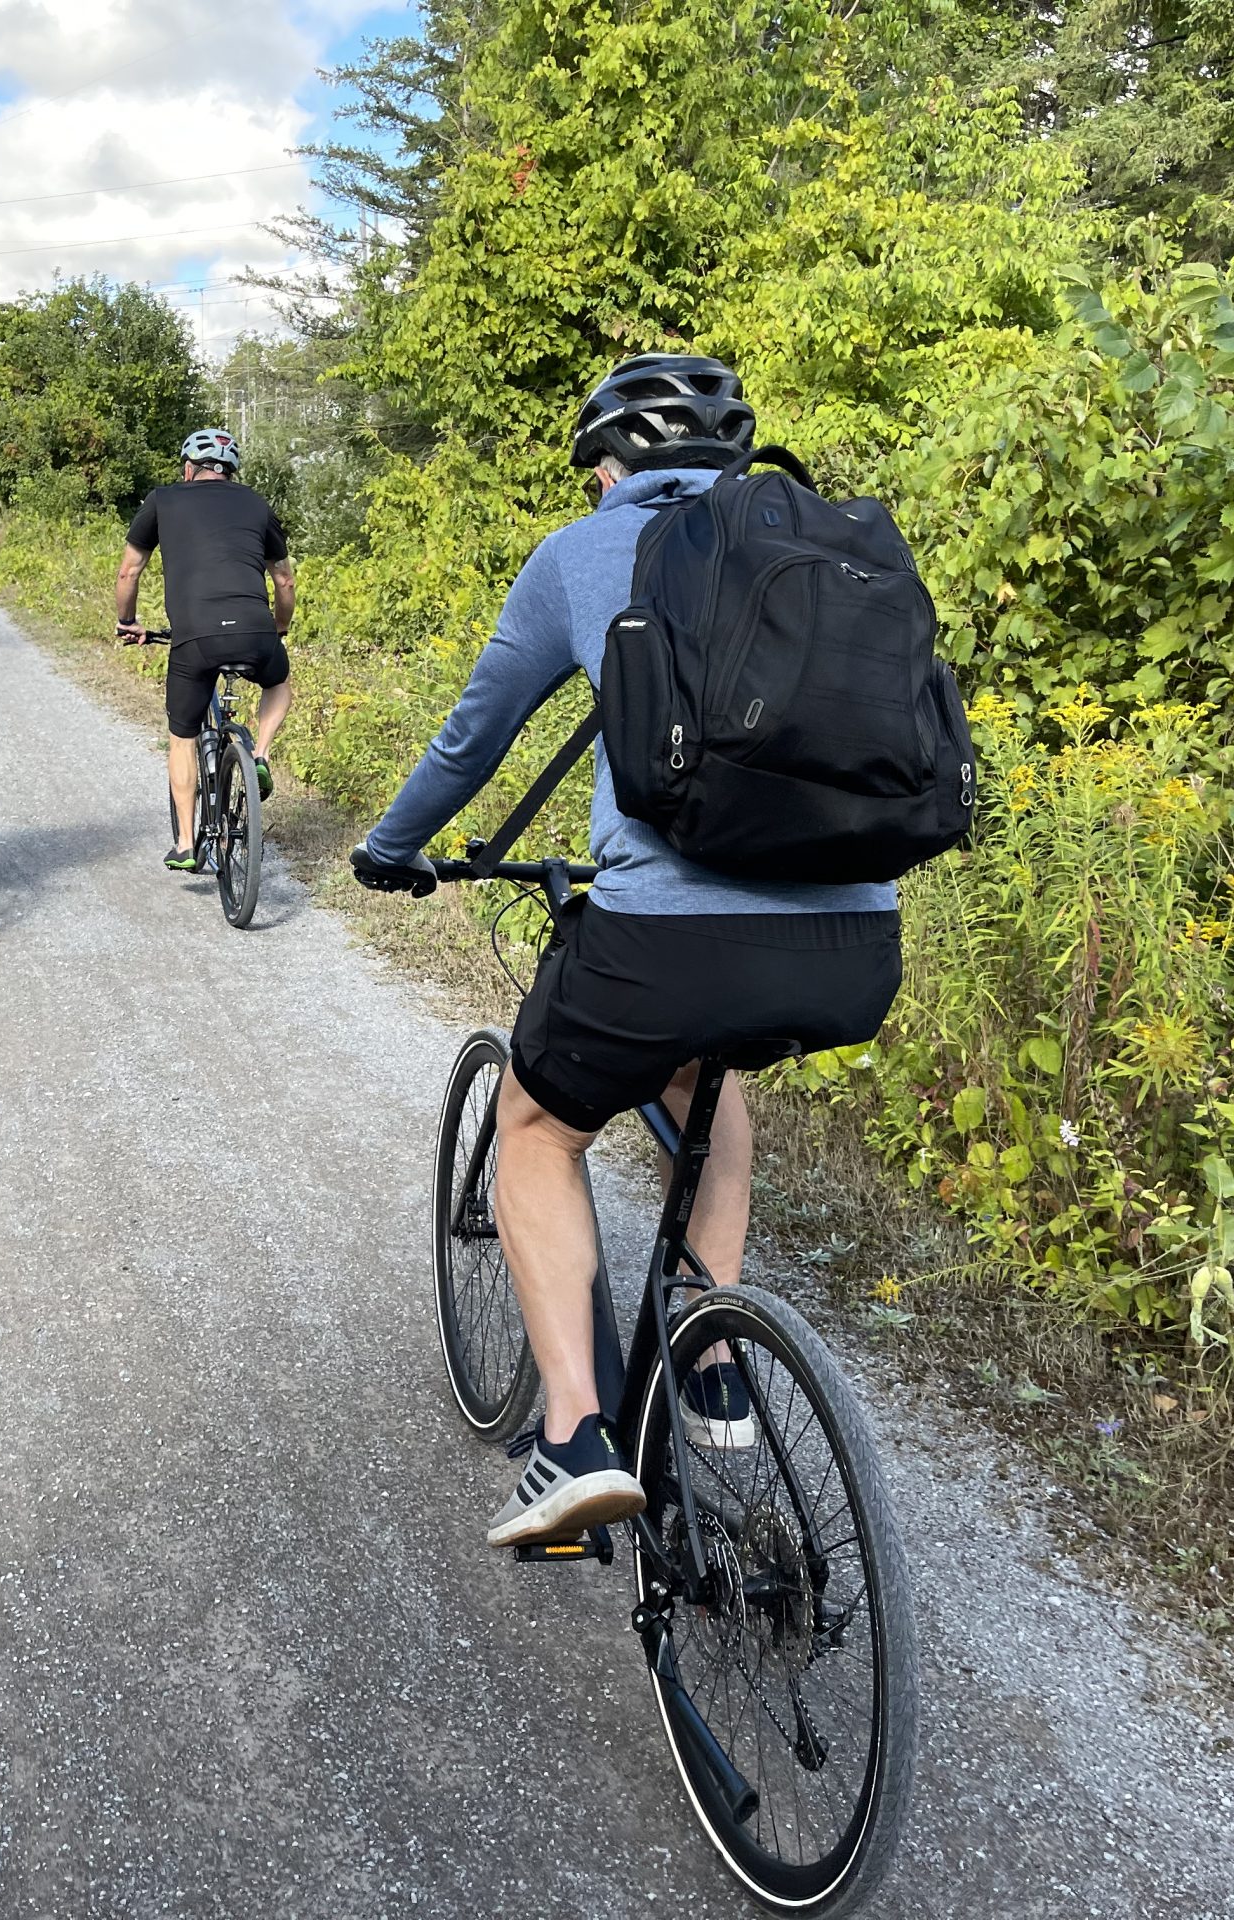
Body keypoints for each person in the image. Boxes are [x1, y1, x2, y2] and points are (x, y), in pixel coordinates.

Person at [349, 356, 904, 1549]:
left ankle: (570, 1439)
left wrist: (390, 848)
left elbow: (473, 738)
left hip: (665, 940)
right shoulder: (820, 543)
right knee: (708, 1082)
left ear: (606, 469)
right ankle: (711, 1363)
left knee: (537, 1130)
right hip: (857, 940)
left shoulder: (581, 553)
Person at [113, 428, 295, 872]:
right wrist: (278, 629)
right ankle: (260, 754)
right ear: (230, 471)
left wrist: (128, 621)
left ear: (188, 469)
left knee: (183, 737)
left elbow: (129, 572)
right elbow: (285, 580)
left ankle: (185, 843)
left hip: (194, 636)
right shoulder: (256, 503)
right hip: (255, 629)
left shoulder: (162, 499)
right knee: (278, 682)